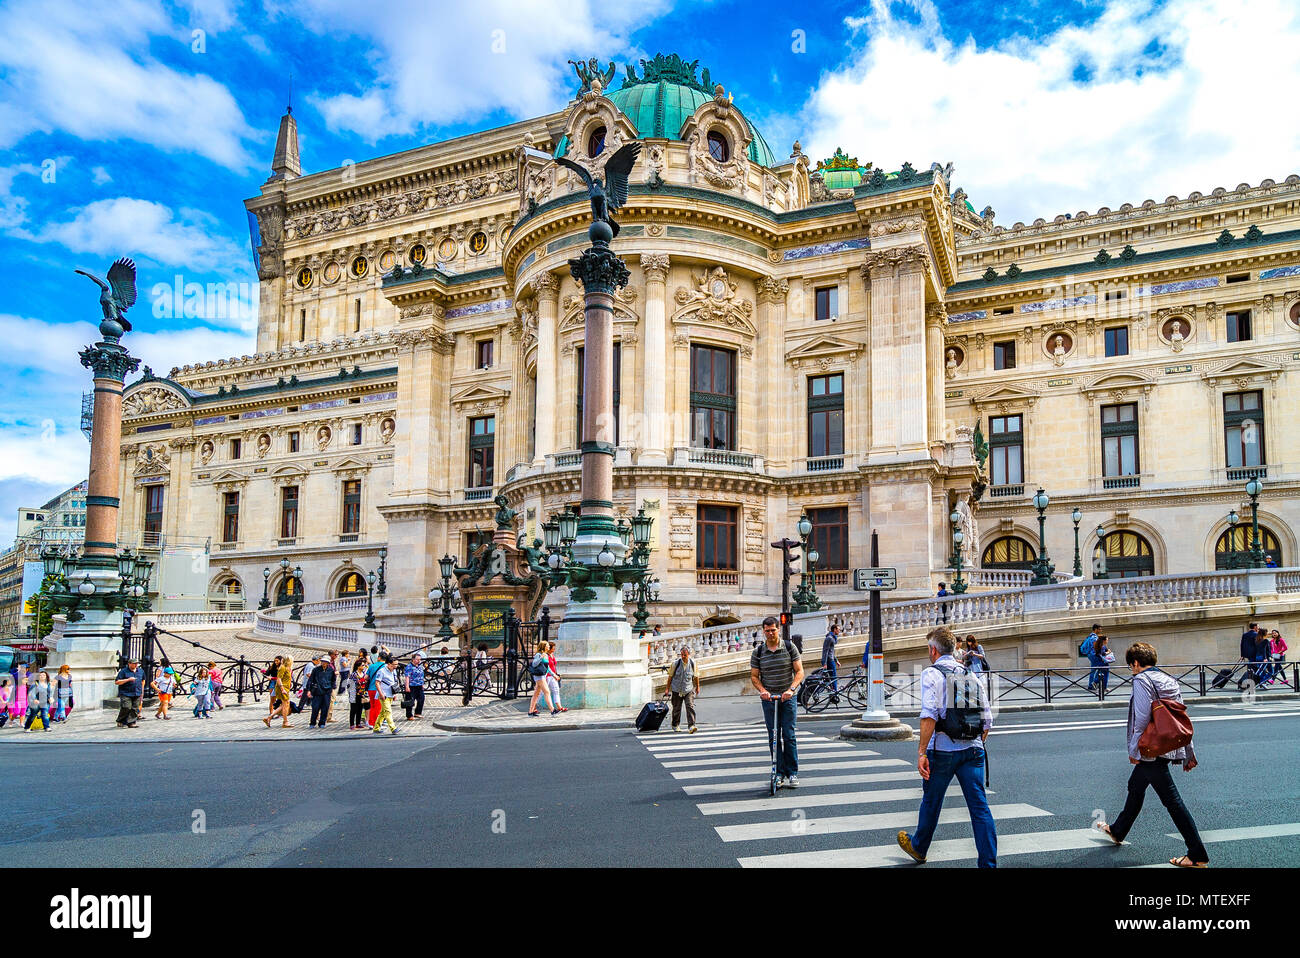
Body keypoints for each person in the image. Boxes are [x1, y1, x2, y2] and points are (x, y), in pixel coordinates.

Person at [1095, 642, 1209, 868]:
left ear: (1136, 663)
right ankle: (1118, 830)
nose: (1132, 670)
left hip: (1150, 748)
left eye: (1131, 666)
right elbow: (1181, 719)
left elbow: (1141, 717)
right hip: (1167, 744)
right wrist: (1188, 751)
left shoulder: (1141, 680)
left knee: (1172, 801)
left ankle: (1197, 854)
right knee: (1135, 785)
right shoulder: (1169, 679)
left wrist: (1135, 750)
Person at [897, 626, 997, 868]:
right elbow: (987, 721)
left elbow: (929, 716)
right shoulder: (970, 674)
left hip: (941, 751)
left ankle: (919, 847)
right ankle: (988, 864)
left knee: (932, 801)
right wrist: (972, 742)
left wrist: (921, 752)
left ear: (933, 650)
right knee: (980, 808)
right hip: (973, 751)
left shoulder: (931, 674)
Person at [750, 616, 804, 788]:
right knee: (773, 736)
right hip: (769, 699)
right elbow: (754, 676)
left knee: (788, 735)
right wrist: (763, 691)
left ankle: (792, 773)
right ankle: (778, 773)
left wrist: (791, 690)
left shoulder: (789, 647)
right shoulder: (758, 652)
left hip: (788, 698)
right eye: (767, 631)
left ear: (778, 629)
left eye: (773, 630)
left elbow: (799, 671)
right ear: (763, 631)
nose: (771, 633)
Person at [666, 645, 699, 732]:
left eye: (685, 655)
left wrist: (697, 687)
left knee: (690, 706)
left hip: (688, 689)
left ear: (689, 654)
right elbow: (670, 677)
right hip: (676, 689)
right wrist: (667, 689)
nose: (683, 656)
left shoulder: (693, 664)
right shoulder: (675, 664)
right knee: (676, 708)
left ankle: (691, 726)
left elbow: (696, 677)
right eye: (682, 655)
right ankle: (675, 725)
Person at [263, 655, 294, 729]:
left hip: (286, 688)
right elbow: (279, 679)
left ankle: (269, 718)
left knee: (284, 705)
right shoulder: (282, 667)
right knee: (285, 704)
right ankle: (285, 722)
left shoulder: (287, 668)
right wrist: (282, 689)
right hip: (282, 688)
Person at [527, 641, 556, 716]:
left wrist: (553, 675)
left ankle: (531, 711)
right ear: (544, 647)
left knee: (536, 694)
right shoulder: (539, 654)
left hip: (542, 675)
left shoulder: (546, 655)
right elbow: (534, 664)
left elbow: (547, 667)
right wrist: (540, 657)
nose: (549, 647)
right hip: (539, 676)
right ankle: (552, 710)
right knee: (547, 692)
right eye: (547, 646)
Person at [114, 657, 144, 729]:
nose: (136, 665)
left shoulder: (140, 671)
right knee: (126, 707)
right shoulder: (123, 672)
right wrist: (127, 680)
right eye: (134, 663)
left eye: (137, 663)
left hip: (137, 692)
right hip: (126, 692)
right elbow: (117, 682)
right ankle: (121, 720)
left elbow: (143, 680)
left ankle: (131, 722)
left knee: (135, 708)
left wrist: (142, 690)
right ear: (129, 664)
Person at [372, 656, 399, 734]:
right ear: (389, 664)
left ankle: (376, 728)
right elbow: (377, 683)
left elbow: (393, 682)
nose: (396, 666)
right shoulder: (381, 671)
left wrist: (394, 694)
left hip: (390, 694)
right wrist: (381, 694)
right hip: (384, 694)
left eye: (397, 664)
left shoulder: (393, 671)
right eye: (394, 664)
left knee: (383, 712)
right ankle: (393, 728)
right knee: (388, 711)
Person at [307, 654, 335, 728]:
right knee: (315, 708)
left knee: (325, 708)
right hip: (317, 691)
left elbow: (333, 680)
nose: (323, 663)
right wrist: (309, 690)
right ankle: (312, 723)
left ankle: (322, 722)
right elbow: (310, 680)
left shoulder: (331, 670)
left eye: (325, 662)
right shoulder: (316, 669)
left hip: (327, 691)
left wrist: (332, 688)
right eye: (322, 661)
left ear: (328, 663)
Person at [347, 652, 368, 730]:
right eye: (362, 665)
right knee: (353, 709)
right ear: (358, 666)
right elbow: (353, 684)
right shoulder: (354, 674)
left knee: (360, 708)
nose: (364, 666)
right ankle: (352, 724)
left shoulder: (363, 673)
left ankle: (358, 723)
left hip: (361, 693)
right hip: (354, 693)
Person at [366, 652, 387, 728]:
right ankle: (376, 723)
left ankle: (371, 723)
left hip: (371, 689)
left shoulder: (372, 666)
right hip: (380, 690)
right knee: (378, 707)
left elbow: (366, 677)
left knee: (372, 706)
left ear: (379, 658)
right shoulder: (386, 667)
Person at [820, 623, 841, 699]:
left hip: (831, 660)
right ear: (834, 630)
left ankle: (832, 694)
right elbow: (825, 651)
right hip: (829, 661)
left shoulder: (832, 638)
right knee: (833, 678)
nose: (839, 631)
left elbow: (831, 651)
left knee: (830, 679)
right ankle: (835, 695)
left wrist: (836, 661)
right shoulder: (829, 638)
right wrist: (824, 663)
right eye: (838, 629)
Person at [403, 653, 426, 720]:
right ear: (413, 659)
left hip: (419, 685)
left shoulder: (419, 666)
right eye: (417, 659)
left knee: (421, 699)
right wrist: (407, 686)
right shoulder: (409, 667)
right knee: (410, 701)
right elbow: (407, 677)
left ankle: (418, 712)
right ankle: (409, 715)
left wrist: (422, 684)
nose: (419, 661)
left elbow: (421, 676)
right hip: (411, 685)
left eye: (420, 659)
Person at [546, 642, 567, 713]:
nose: (554, 649)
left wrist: (555, 675)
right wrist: (553, 674)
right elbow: (547, 667)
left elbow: (554, 665)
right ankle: (534, 707)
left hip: (553, 676)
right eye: (553, 648)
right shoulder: (545, 655)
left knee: (556, 690)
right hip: (547, 676)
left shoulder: (552, 655)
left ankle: (559, 707)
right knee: (542, 692)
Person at [1083, 623, 1101, 690]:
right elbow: (1095, 647)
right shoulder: (1094, 637)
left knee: (1094, 670)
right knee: (1101, 668)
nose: (1100, 630)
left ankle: (1092, 684)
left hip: (1090, 655)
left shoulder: (1090, 636)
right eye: (1099, 629)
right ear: (1095, 629)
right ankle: (1094, 684)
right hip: (1094, 655)